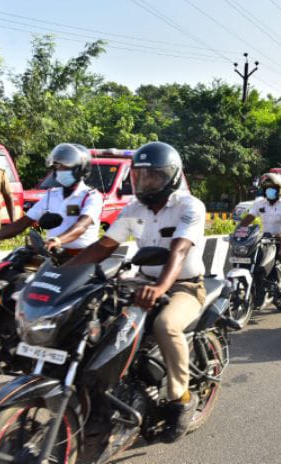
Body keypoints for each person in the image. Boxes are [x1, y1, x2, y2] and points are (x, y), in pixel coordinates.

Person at [66, 141, 205, 442]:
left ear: (171, 176)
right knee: (97, 318)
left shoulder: (189, 206)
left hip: (185, 285)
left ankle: (181, 399)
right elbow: (104, 246)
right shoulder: (133, 208)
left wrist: (158, 288)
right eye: (139, 175)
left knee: (166, 325)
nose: (144, 182)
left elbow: (178, 252)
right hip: (141, 279)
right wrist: (63, 274)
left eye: (153, 176)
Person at [0, 143, 102, 258]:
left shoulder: (91, 196)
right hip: (53, 253)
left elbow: (81, 226)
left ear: (79, 169)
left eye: (64, 167)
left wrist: (57, 240)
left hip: (82, 257)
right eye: (57, 167)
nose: (59, 171)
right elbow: (23, 223)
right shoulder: (51, 195)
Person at [236, 172, 281, 301]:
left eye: (272, 188)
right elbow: (248, 219)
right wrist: (237, 231)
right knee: (253, 257)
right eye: (267, 188)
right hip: (265, 239)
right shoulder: (260, 203)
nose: (269, 191)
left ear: (279, 189)